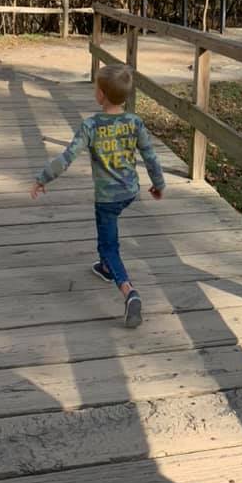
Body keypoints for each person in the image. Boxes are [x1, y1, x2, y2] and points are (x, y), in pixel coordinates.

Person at [30, 64, 165, 328]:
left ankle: (129, 291)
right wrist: (158, 184)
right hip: (130, 191)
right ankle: (105, 267)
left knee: (108, 245)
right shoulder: (134, 122)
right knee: (108, 234)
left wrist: (42, 178)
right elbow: (150, 156)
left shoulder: (90, 126)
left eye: (95, 88)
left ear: (101, 94)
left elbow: (67, 158)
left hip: (107, 198)